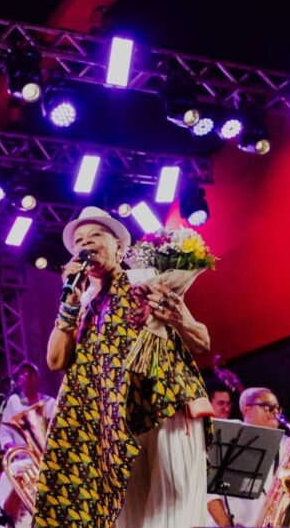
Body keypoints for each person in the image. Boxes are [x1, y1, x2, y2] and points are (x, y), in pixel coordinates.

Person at [35, 206, 212, 528]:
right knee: (128, 519)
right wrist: (69, 303)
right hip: (117, 423)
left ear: (118, 245)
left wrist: (176, 318)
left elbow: (202, 341)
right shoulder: (82, 305)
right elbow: (56, 361)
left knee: (174, 514)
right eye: (79, 241)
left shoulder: (143, 280)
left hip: (164, 406)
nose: (86, 244)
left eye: (95, 235)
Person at [0, 361, 56, 526]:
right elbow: (4, 432)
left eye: (31, 373)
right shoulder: (13, 401)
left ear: (39, 378)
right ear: (18, 380)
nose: (27, 376)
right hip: (21, 459)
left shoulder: (50, 402)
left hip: (46, 458)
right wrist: (14, 448)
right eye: (23, 373)